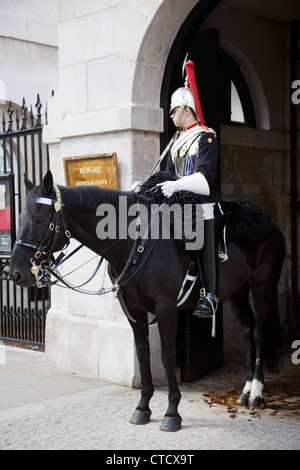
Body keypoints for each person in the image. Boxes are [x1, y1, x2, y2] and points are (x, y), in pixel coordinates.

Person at [158, 60, 227, 318]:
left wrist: (175, 184)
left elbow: (205, 178)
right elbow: (166, 175)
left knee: (204, 215)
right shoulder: (175, 143)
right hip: (183, 202)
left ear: (187, 109)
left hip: (204, 201)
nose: (171, 115)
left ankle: (210, 296)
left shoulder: (206, 136)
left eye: (174, 111)